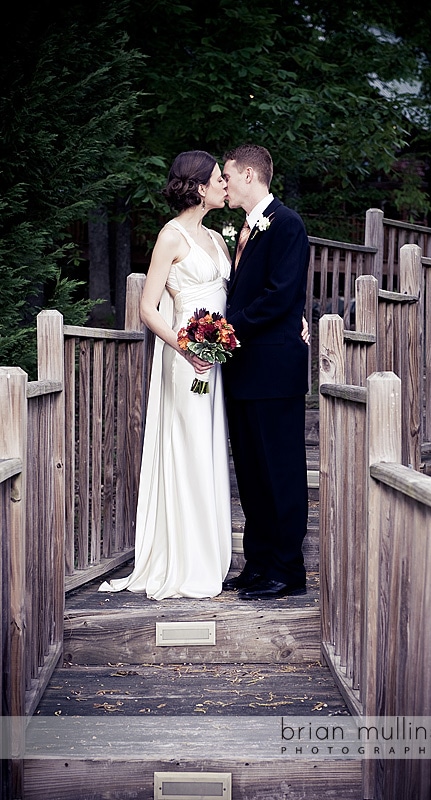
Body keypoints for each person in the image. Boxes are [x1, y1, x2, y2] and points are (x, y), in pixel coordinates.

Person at [99, 150, 233, 600]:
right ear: (198, 187)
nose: (224, 184)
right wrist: (187, 345)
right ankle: (187, 562)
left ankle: (212, 558)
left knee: (211, 449)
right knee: (190, 449)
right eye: (218, 179)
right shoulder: (171, 237)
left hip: (216, 359)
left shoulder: (217, 240)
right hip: (187, 359)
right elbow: (146, 307)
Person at [221, 144, 310, 600]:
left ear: (251, 175)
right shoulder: (248, 231)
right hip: (244, 371)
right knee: (252, 473)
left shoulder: (287, 225)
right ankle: (258, 562)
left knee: (282, 472)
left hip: (274, 369)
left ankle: (287, 569)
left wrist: (224, 329)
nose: (225, 183)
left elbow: (280, 296)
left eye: (229, 176)